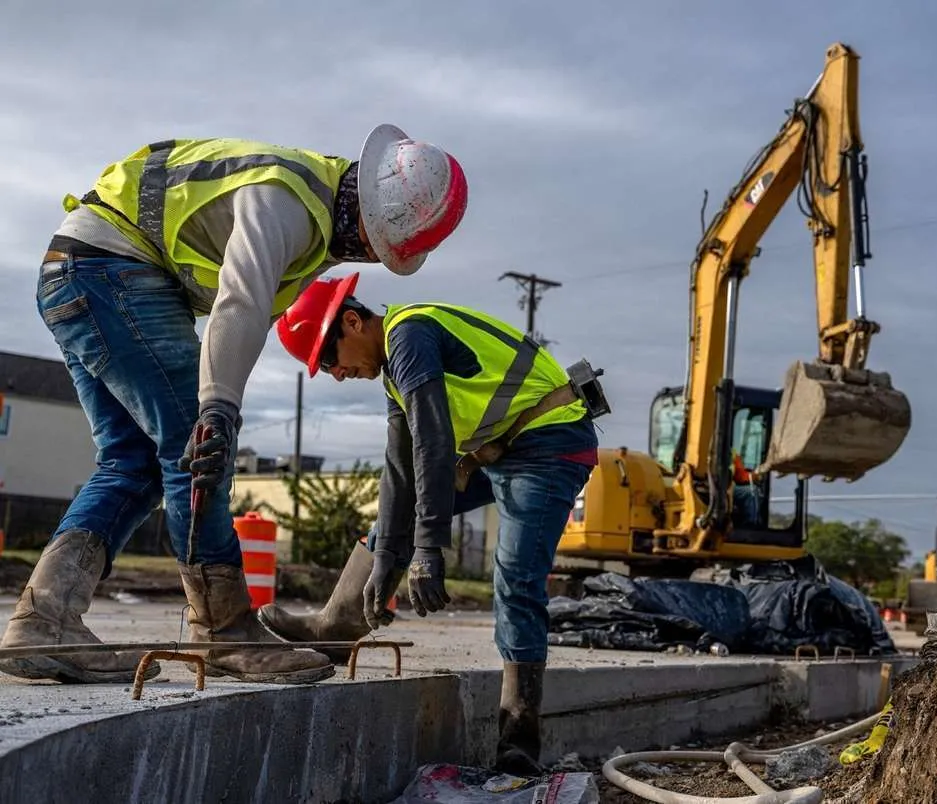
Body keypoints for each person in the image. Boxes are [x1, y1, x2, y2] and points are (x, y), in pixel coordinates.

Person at [0, 125, 468, 687]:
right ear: (365, 204)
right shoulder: (285, 199)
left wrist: (219, 401)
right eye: (374, 244)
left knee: (133, 463)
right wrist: (217, 411)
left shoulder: (317, 228)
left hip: (78, 273)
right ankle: (221, 629)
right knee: (191, 444)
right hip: (109, 271)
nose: (367, 256)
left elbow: (249, 323)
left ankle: (43, 619)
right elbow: (239, 303)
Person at [259, 272, 607, 776]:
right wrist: (386, 561)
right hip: (504, 449)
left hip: (551, 444)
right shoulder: (393, 372)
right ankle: (338, 625)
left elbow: (434, 442)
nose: (335, 374)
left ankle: (518, 735)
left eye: (330, 360)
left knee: (515, 576)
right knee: (393, 519)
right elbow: (401, 472)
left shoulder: (409, 336)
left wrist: (428, 551)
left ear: (352, 322)